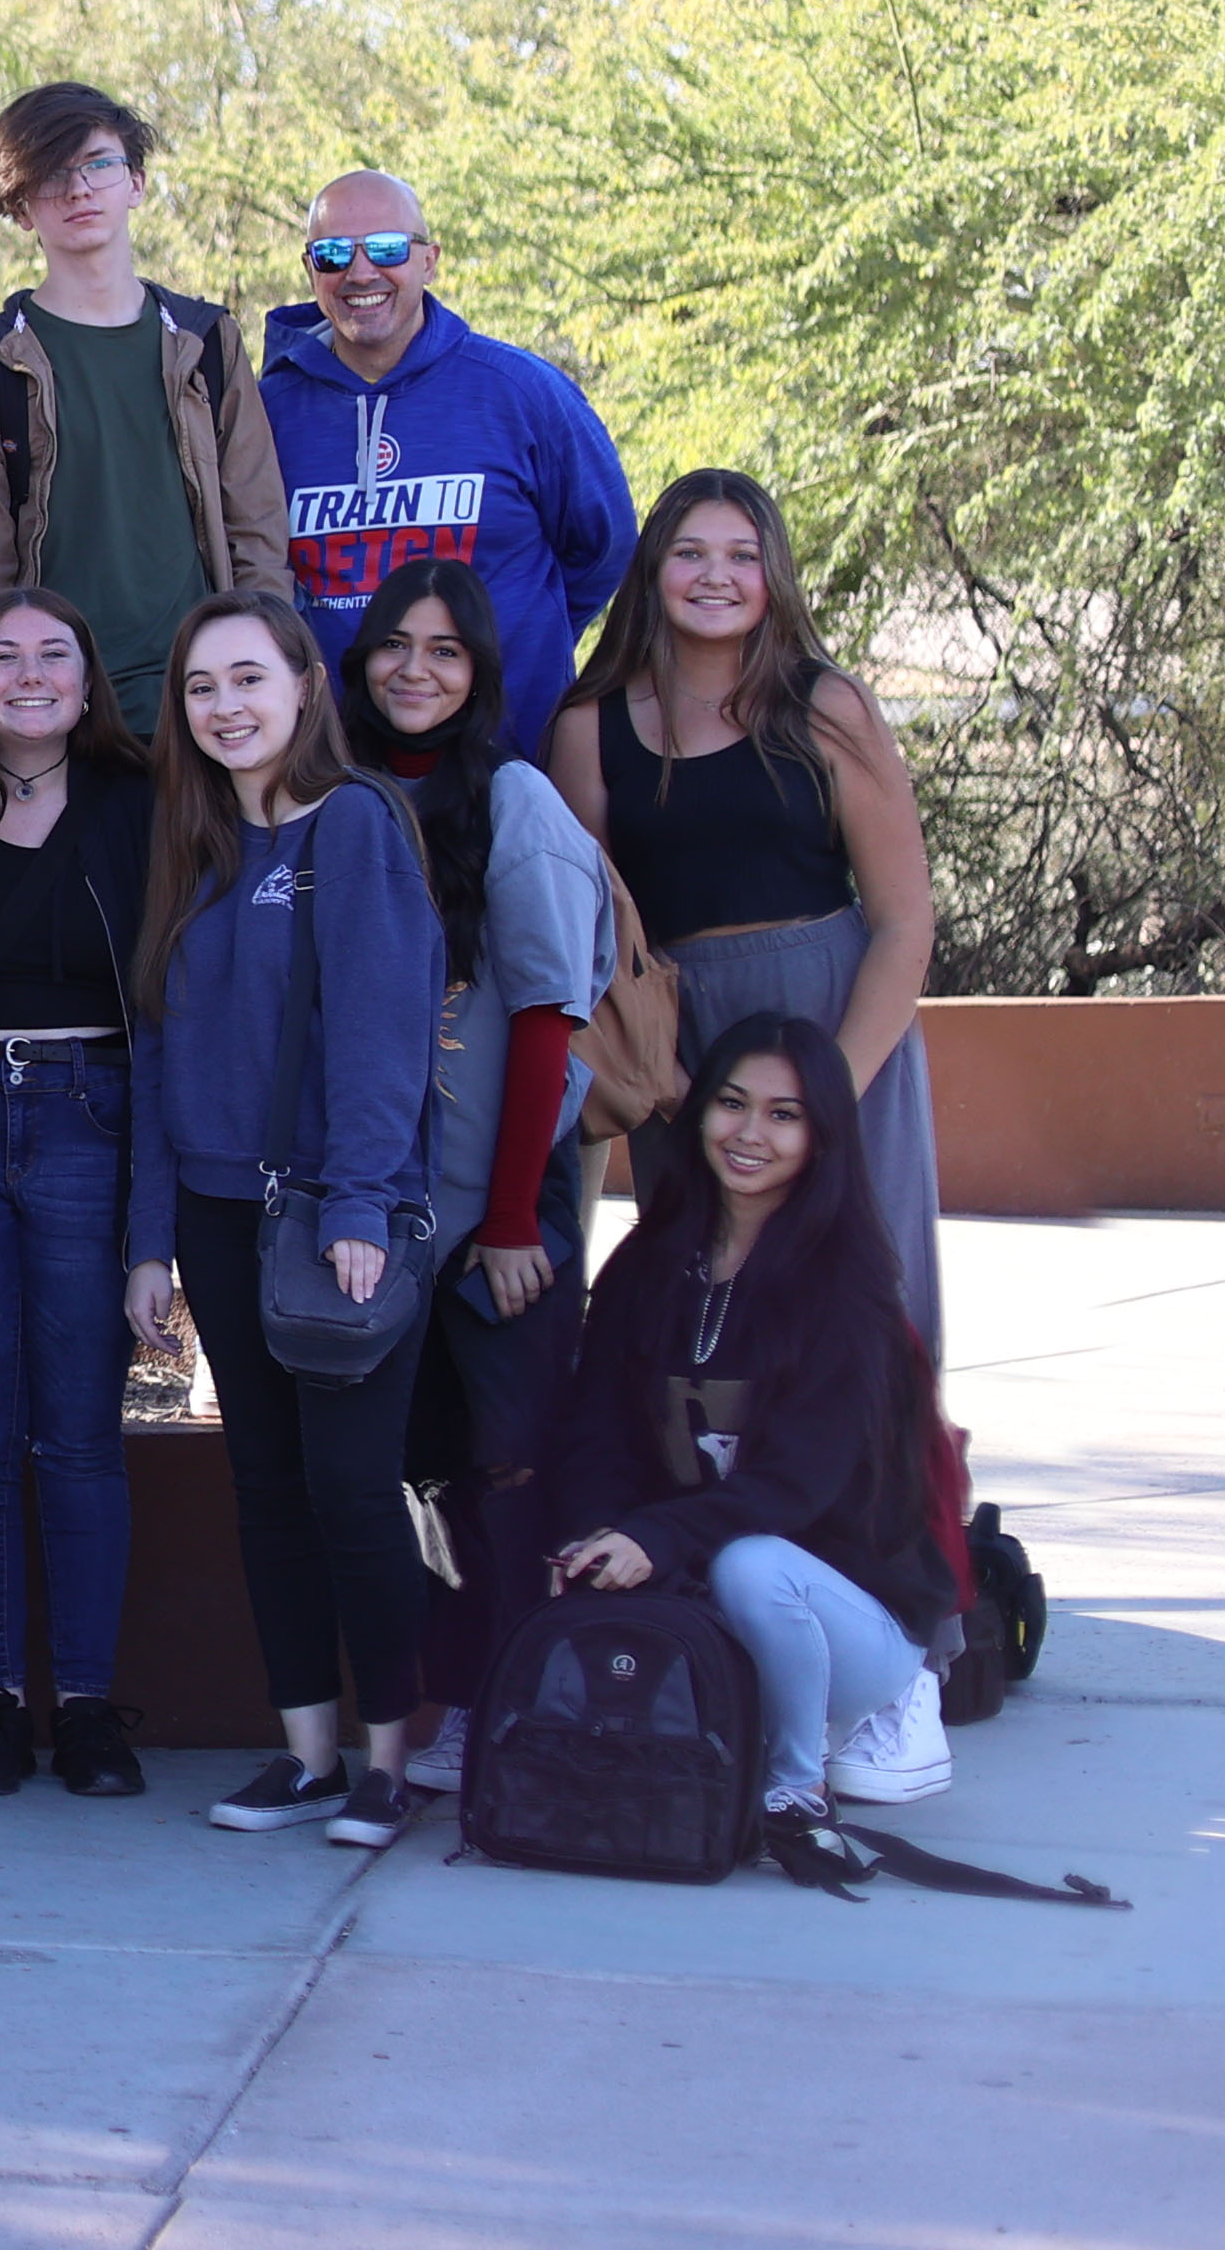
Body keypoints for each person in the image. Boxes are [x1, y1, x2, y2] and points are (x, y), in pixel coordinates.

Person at [129, 591, 447, 1852]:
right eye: (203, 687)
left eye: (249, 680)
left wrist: (361, 1200)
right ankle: (308, 1753)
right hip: (215, 1214)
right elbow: (159, 1051)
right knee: (263, 1491)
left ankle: (389, 1760)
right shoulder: (192, 837)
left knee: (355, 1494)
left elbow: (380, 1034)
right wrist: (148, 1242)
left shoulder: (358, 826)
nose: (226, 708)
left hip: (332, 1219)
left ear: (307, 688)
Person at [551, 466, 948, 1348]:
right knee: (707, 1309)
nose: (716, 576)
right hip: (681, 1044)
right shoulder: (589, 725)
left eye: (742, 554)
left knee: (861, 1308)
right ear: (653, 572)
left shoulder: (829, 707)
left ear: (775, 575)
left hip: (838, 1024)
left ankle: (882, 1488)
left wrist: (823, 1096)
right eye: (690, 553)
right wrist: (686, 1095)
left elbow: (904, 921)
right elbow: (593, 939)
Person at [545, 1017, 963, 1853]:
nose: (749, 1133)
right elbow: (597, 1429)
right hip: (700, 1591)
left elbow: (796, 1489)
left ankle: (796, 1786)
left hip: (848, 1614)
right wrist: (597, 1536)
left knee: (757, 1564)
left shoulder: (848, 1291)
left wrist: (655, 1535)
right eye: (732, 1104)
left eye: (784, 1114)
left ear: (822, 1136)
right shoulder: (649, 1263)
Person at [335, 560, 620, 1786]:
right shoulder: (335, 794)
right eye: (396, 644)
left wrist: (510, 1224)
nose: (415, 669)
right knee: (424, 1476)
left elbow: (552, 1021)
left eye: (446, 651)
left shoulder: (516, 802)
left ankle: (539, 1699)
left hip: (500, 1211)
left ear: (482, 672)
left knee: (513, 1469)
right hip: (385, 1215)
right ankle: (456, 1701)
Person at [0, 586, 162, 1799]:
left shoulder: (146, 805)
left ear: (90, 678)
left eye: (58, 651)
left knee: (79, 1434)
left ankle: (93, 1707)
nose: (32, 673)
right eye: (5, 655)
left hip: (90, 1117)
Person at [0, 82, 287, 733]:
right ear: (19, 208)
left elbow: (258, 533)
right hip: (61, 711)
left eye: (99, 164)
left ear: (137, 182)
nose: (78, 189)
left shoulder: (206, 341)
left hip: (203, 706)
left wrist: (272, 680)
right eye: (51, 175)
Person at [258, 169, 637, 762]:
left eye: (386, 248)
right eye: (333, 254)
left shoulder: (522, 392)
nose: (360, 272)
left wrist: (521, 634)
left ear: (430, 260)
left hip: (508, 763)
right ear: (310, 271)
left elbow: (605, 547)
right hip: (333, 778)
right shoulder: (266, 413)